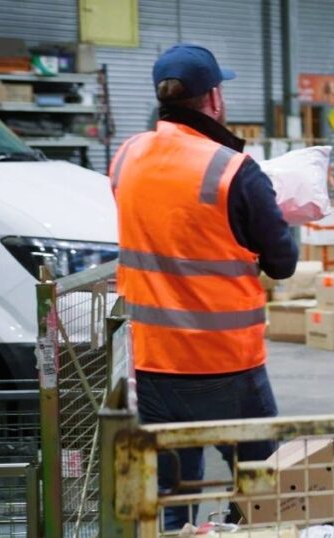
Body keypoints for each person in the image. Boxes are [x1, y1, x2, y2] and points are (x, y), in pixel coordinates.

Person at [108, 43, 297, 529]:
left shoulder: (125, 158)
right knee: (263, 488)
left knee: (169, 495)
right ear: (213, 99)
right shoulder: (235, 171)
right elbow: (283, 263)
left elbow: (166, 231)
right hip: (227, 366)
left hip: (152, 363)